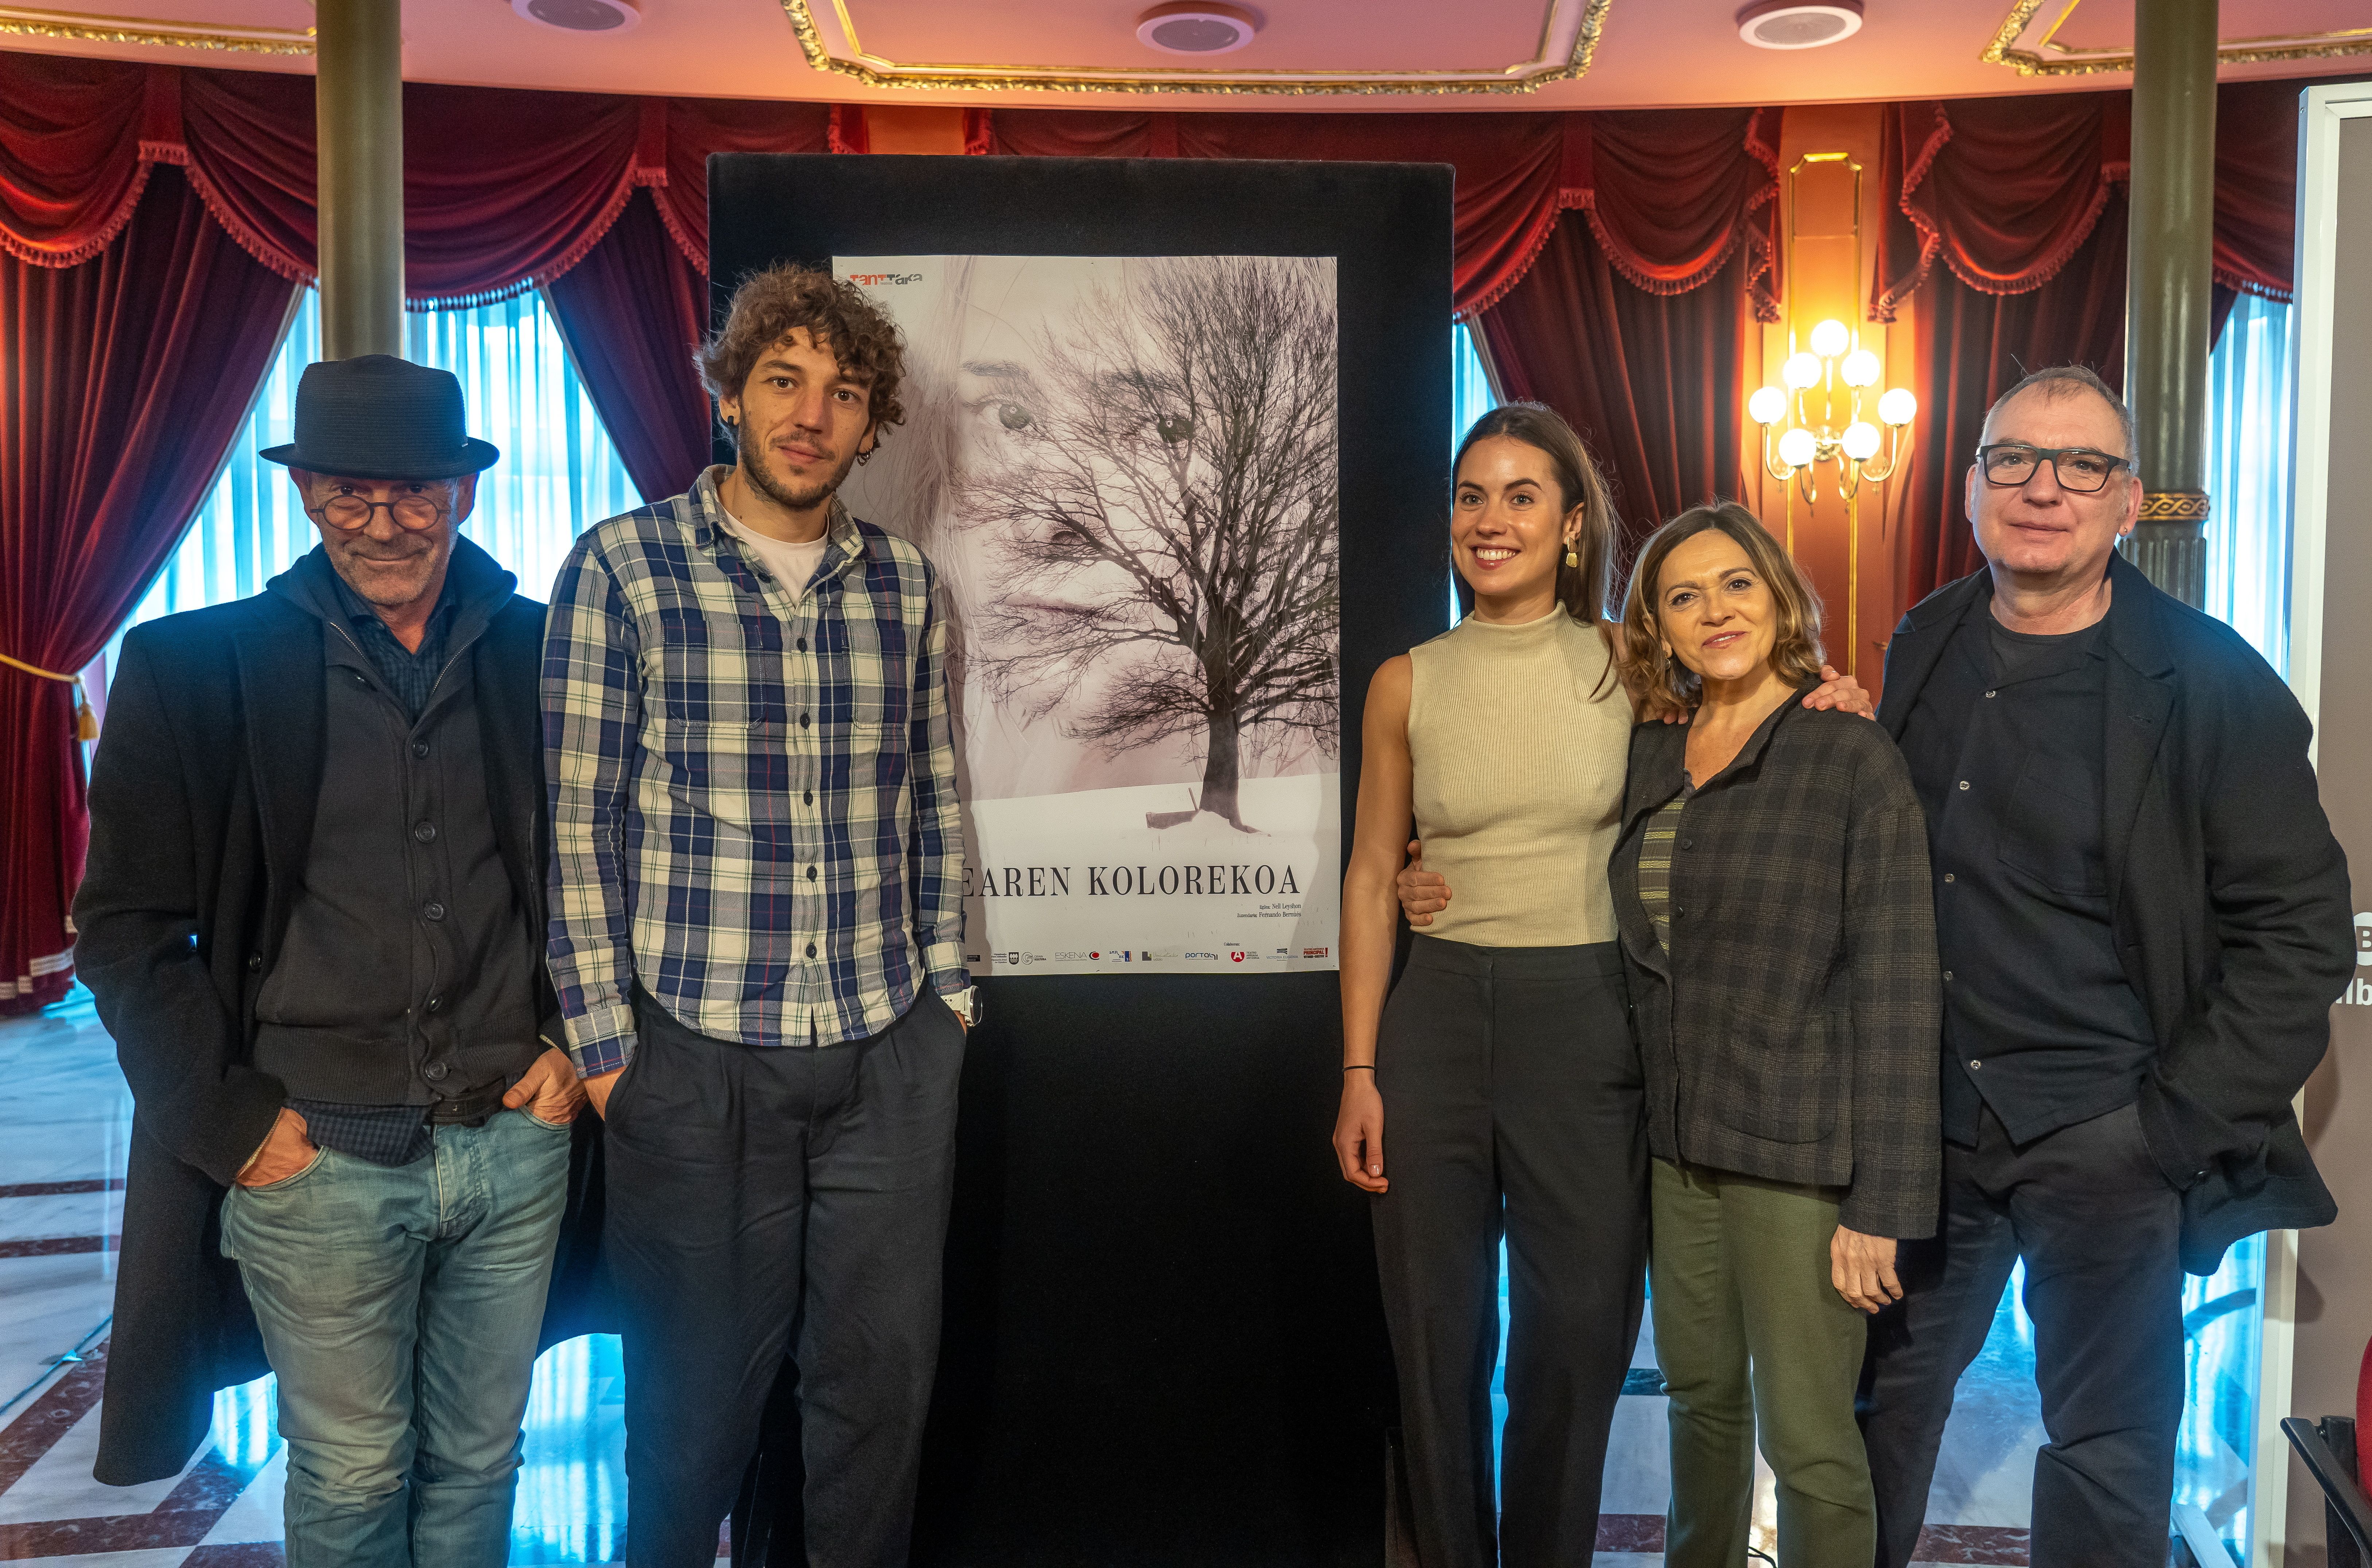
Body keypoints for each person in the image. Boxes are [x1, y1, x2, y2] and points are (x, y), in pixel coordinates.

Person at [74, 355, 589, 1566]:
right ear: (303, 492)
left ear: (464, 494)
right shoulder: (193, 669)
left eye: (413, 494)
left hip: (514, 1143)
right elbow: (127, 928)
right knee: (354, 1474)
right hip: (312, 1157)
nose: (382, 525)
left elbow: (610, 867)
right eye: (348, 494)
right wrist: (233, 1123)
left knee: (480, 1459)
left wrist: (573, 1042)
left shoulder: (548, 652)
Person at [1853, 365, 2353, 1568]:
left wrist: (2166, 1130)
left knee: (2106, 1452)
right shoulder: (1921, 640)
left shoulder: (2213, 681)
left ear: (2126, 501)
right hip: (1930, 1129)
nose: (2044, 489)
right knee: (1868, 1422)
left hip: (2109, 1135)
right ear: (1971, 489)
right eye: (2013, 459)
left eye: (2081, 466)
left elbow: (2299, 935)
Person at [543, 262, 977, 1568]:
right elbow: (579, 822)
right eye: (782, 382)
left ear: (869, 421)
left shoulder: (905, 590)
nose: (810, 414)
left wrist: (950, 999)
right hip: (692, 1057)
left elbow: (935, 804)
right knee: (686, 1420)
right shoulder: (621, 570)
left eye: (842, 394)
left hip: (886, 1051)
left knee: (876, 1400)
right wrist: (610, 1052)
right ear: (730, 394)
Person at [1606, 502, 1938, 1567]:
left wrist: (1881, 1205)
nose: (1714, 611)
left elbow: (1895, 989)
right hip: (1678, 1152)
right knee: (1696, 1408)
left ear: (1780, 597)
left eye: (1735, 585)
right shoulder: (1649, 755)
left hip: (1800, 1163)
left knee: (1808, 1440)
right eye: (1683, 595)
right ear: (1655, 624)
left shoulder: (1846, 752)